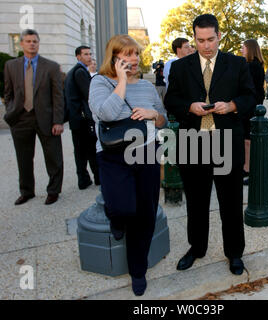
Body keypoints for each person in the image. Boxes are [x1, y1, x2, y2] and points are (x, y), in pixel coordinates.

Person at [164, 14, 256, 276]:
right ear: (194, 37)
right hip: (193, 142)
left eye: (211, 39)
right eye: (200, 40)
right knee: (196, 201)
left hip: (227, 140)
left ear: (219, 36)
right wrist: (188, 107)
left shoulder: (237, 64)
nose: (206, 45)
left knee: (231, 201)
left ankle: (235, 253)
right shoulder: (181, 67)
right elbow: (171, 100)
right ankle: (197, 248)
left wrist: (233, 105)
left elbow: (251, 96)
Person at [88, 34, 167, 296]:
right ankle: (116, 217)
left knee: (145, 214)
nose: (133, 59)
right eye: (127, 54)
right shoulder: (99, 81)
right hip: (113, 155)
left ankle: (138, 270)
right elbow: (106, 113)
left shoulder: (146, 86)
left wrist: (153, 114)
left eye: (135, 54)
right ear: (114, 56)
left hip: (146, 152)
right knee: (122, 207)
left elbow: (163, 120)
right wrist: (121, 81)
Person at [3, 29, 64, 206]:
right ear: (21, 44)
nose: (32, 44)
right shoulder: (11, 66)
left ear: (38, 43)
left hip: (46, 119)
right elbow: (8, 92)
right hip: (20, 119)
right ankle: (27, 191)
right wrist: (10, 110)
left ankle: (53, 191)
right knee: (23, 158)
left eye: (35, 41)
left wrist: (58, 121)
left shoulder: (51, 66)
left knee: (53, 157)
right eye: (28, 41)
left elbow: (58, 96)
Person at [65, 46, 100, 190]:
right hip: (83, 118)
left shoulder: (73, 72)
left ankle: (84, 179)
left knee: (79, 150)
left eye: (90, 54)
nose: (89, 57)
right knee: (91, 149)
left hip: (76, 118)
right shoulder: (80, 72)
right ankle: (97, 178)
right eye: (85, 54)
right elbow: (89, 94)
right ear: (78, 57)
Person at [241, 39, 265, 186]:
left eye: (243, 48)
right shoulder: (257, 65)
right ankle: (247, 166)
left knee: (248, 140)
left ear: (249, 49)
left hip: (249, 106)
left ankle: (248, 168)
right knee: (248, 139)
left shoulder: (251, 66)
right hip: (254, 104)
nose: (242, 50)